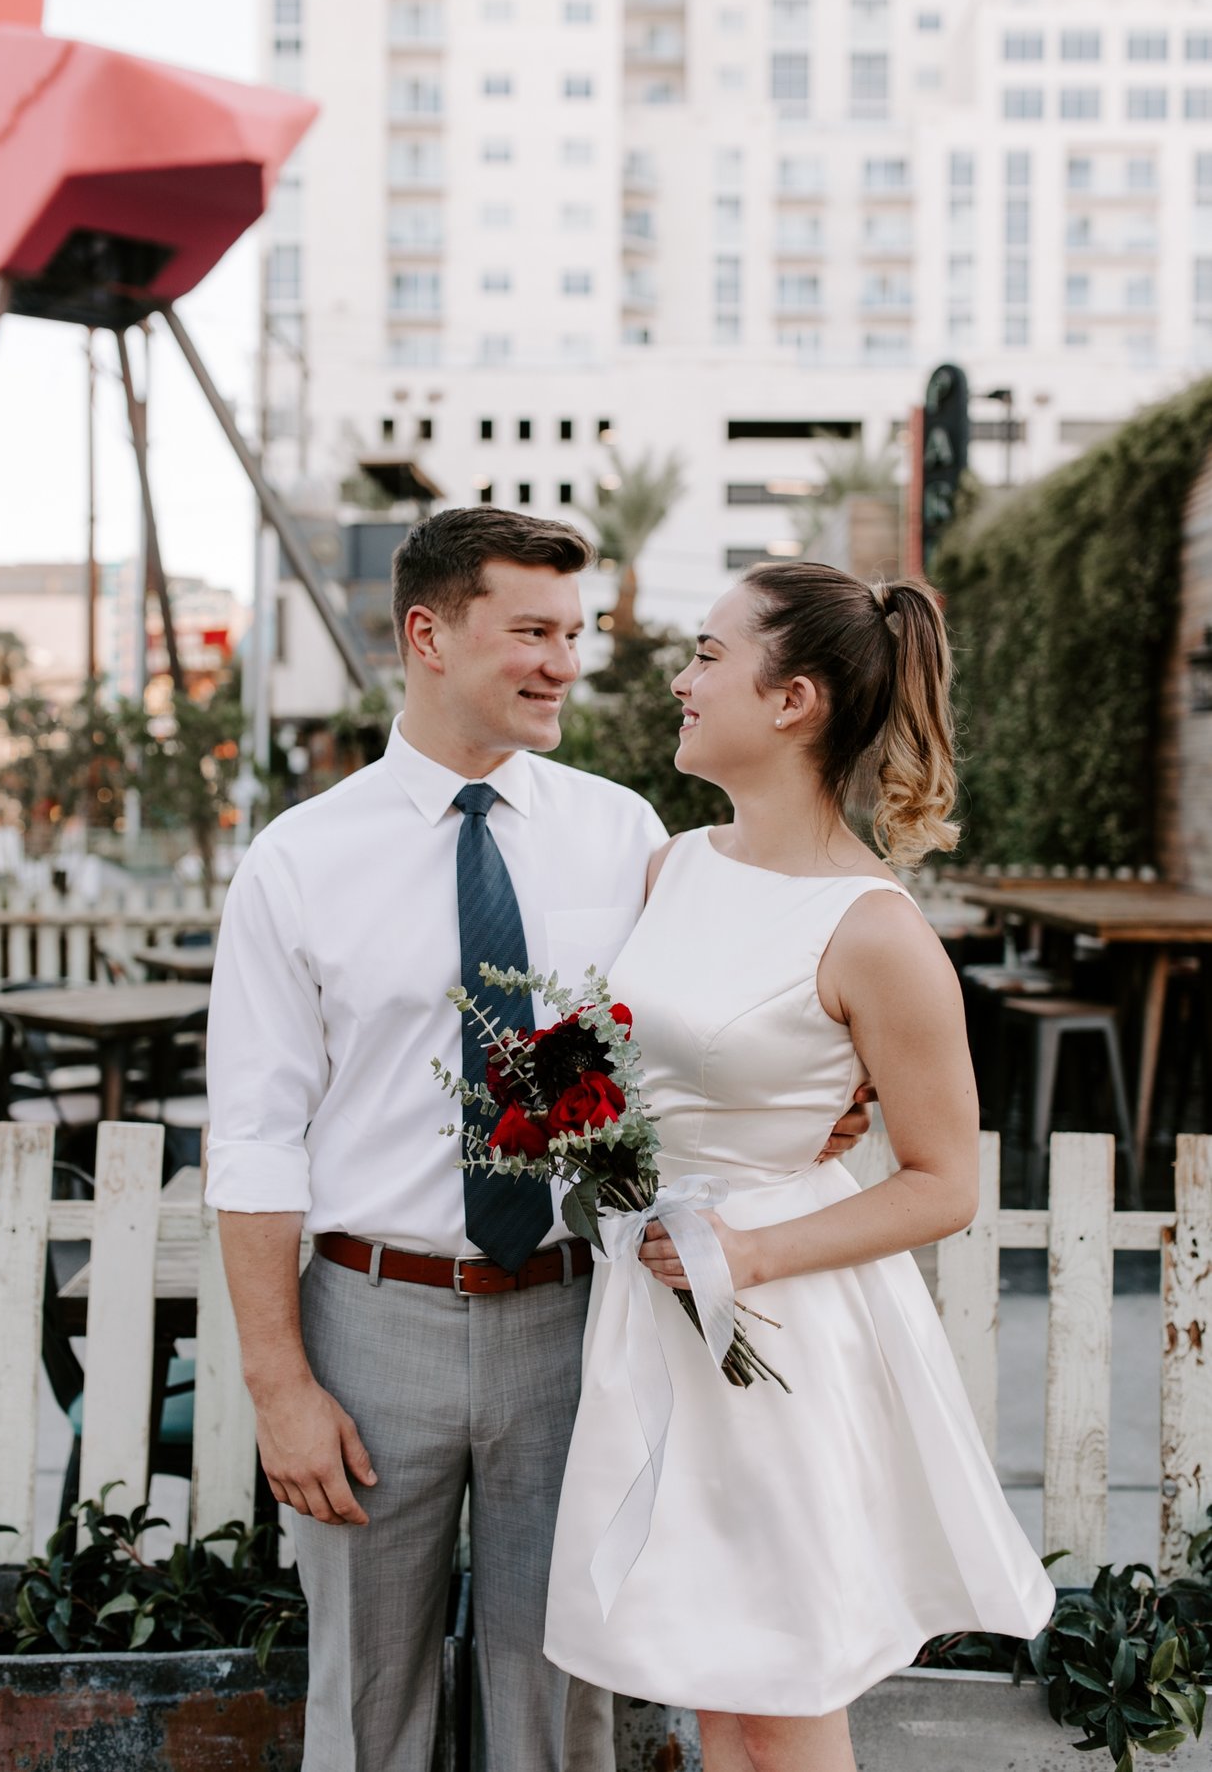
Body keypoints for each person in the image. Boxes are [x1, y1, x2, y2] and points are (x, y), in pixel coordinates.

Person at [207, 506, 868, 1772]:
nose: (565, 662)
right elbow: (252, 1139)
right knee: (365, 1704)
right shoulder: (296, 863)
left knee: (564, 1700)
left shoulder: (625, 836)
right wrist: (278, 1383)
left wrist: (821, 1099)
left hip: (577, 1316)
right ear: (427, 633)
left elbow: (711, 1025)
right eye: (531, 630)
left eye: (576, 632)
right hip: (367, 1319)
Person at [542, 563, 1055, 1772]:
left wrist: (748, 1244)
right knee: (722, 1693)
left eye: (709, 653)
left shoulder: (874, 930)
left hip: (774, 1326)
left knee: (776, 1697)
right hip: (653, 1308)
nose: (680, 675)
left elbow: (943, 1180)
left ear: (793, 701)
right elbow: (623, 1061)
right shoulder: (676, 864)